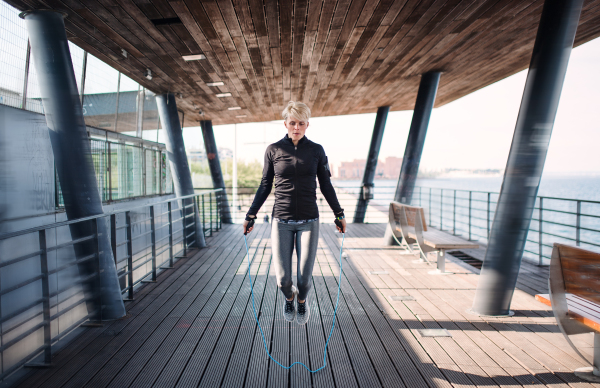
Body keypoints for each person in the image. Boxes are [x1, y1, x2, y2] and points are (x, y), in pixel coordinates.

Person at [243, 101, 346, 325]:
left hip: (309, 220)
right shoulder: (274, 150)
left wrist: (339, 213)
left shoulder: (316, 150)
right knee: (282, 279)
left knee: (304, 279)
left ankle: (302, 302)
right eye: (292, 123)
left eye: (301, 123)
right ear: (285, 124)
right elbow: (264, 185)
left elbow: (326, 185)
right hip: (281, 220)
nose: (296, 127)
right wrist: (250, 215)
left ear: (307, 124)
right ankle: (289, 299)